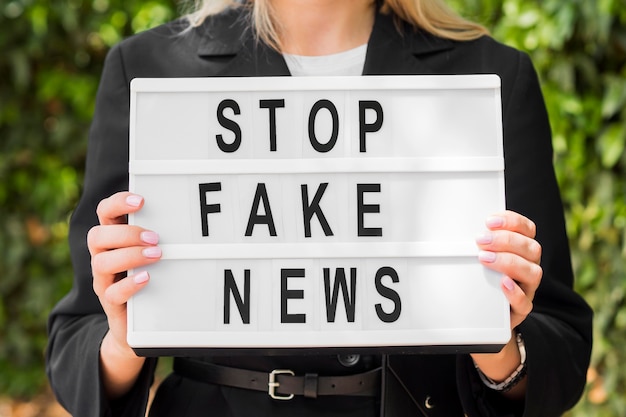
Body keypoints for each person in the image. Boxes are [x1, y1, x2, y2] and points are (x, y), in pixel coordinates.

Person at [46, 0, 593, 416]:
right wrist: (125, 336)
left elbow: (559, 351)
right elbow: (76, 349)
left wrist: (499, 340)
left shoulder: (492, 77)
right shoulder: (148, 73)